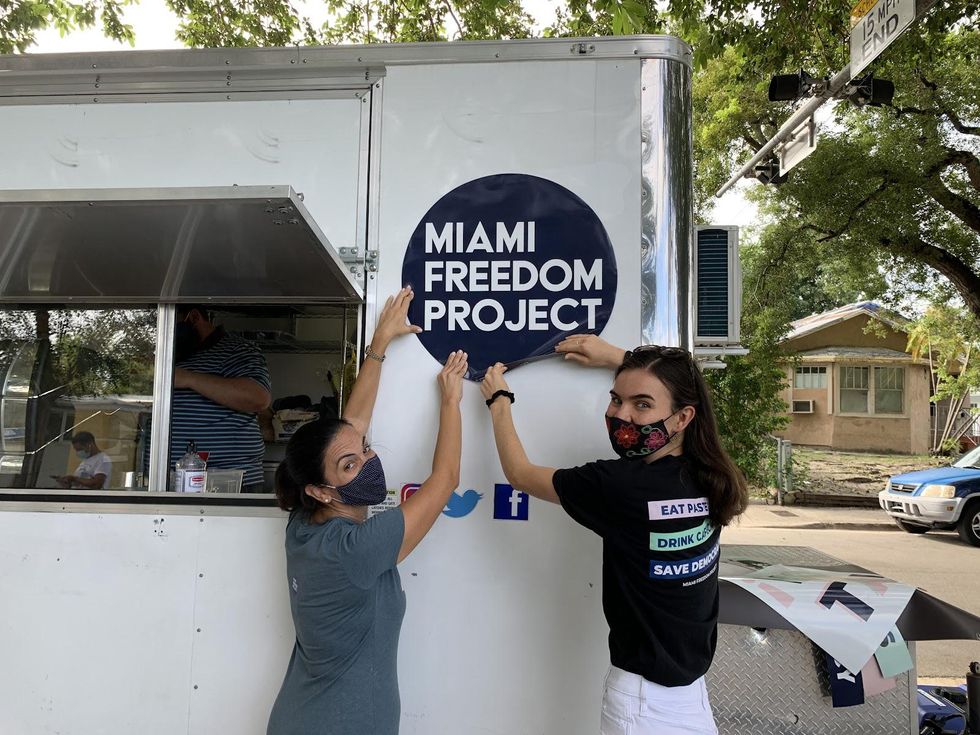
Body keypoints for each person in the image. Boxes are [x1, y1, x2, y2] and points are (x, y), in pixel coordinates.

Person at [480, 334, 748, 735]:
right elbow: (687, 393)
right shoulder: (707, 471)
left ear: (683, 418)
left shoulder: (621, 486)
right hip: (655, 697)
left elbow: (520, 473)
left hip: (662, 703)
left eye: (642, 405)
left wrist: (498, 401)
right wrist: (618, 359)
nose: (622, 415)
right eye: (616, 399)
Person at [267, 286, 467, 735]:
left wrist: (379, 344)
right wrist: (452, 402)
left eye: (366, 452)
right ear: (320, 490)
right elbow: (444, 481)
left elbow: (350, 427)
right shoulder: (354, 550)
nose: (367, 461)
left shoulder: (303, 525)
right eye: (350, 465)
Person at [171, 305, 272, 492]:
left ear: (193, 317)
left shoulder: (237, 350)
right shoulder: (169, 354)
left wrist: (188, 378)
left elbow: (257, 398)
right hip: (166, 479)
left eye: (170, 322)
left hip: (227, 482)